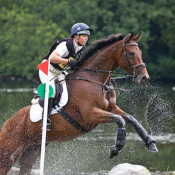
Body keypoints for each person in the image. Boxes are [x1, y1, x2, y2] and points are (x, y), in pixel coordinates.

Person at [38, 23, 93, 130]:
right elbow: (53, 58)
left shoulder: (80, 47)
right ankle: (45, 119)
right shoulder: (67, 44)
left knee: (72, 85)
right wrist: (68, 61)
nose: (86, 38)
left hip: (59, 71)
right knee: (52, 91)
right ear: (76, 36)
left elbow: (73, 64)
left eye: (87, 36)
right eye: (84, 36)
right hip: (46, 68)